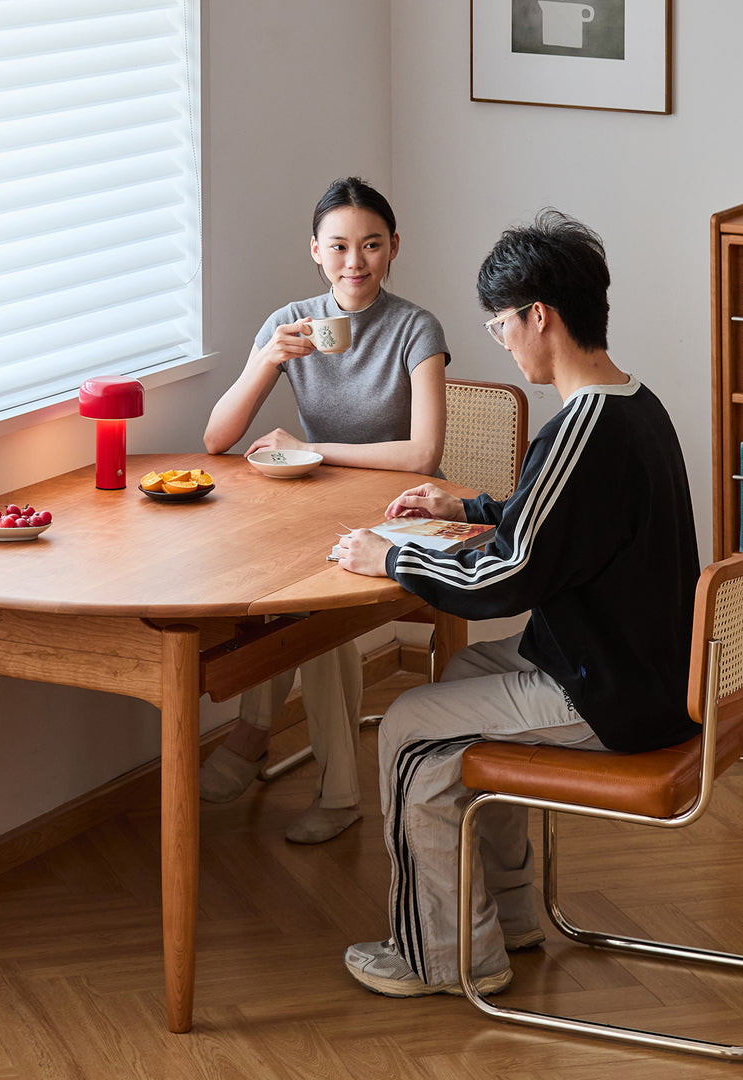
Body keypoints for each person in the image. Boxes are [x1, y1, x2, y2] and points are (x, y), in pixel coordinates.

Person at [335, 209, 700, 996]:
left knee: (406, 724)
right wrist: (470, 510)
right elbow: (560, 524)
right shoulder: (632, 405)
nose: (499, 338)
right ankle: (506, 917)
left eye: (499, 323)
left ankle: (439, 958)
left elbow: (511, 579)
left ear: (540, 317)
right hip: (644, 671)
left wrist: (392, 558)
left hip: (609, 693)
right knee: (464, 674)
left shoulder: (580, 432)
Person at [201, 177, 450, 844]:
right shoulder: (292, 321)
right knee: (274, 582)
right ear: (315, 251)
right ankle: (256, 732)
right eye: (338, 246)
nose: (355, 262)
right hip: (321, 506)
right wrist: (265, 363)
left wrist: (312, 447)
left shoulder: (415, 328)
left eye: (371, 245)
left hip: (408, 511)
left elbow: (424, 452)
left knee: (317, 602)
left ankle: (331, 786)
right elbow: (217, 440)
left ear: (394, 247)